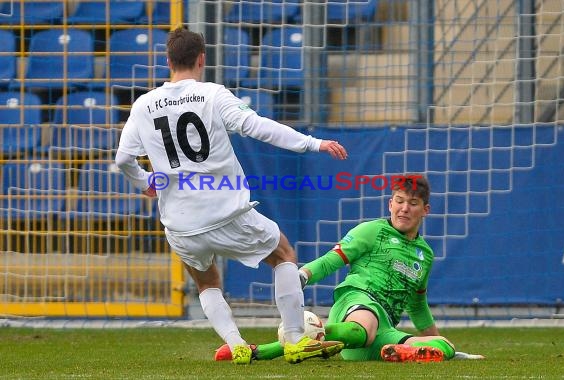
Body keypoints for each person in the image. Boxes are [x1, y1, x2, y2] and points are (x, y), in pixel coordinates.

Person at [114, 26, 347, 365]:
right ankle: (296, 339)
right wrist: (313, 143)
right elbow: (256, 126)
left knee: (207, 281)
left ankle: (237, 344)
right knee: (283, 253)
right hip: (225, 211)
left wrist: (146, 183)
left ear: (168, 60)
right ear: (201, 59)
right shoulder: (213, 94)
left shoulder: (144, 104)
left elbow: (122, 159)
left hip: (179, 223)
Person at [215, 174, 457, 362]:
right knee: (364, 329)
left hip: (382, 330)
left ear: (425, 210)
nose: (404, 208)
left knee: (444, 346)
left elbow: (417, 305)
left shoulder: (425, 254)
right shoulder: (372, 231)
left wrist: (433, 338)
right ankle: (257, 351)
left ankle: (397, 351)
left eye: (413, 203)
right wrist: (303, 275)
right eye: (400, 201)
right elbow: (333, 259)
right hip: (359, 300)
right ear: (390, 204)